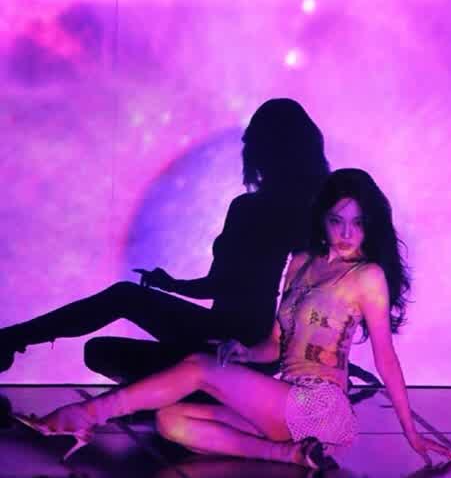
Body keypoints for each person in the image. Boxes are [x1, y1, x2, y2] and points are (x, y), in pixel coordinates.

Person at [14, 169, 451, 469]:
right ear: (322, 220)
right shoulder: (300, 262)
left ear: (370, 225)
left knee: (198, 368)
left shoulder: (367, 276)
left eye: (358, 223)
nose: (346, 233)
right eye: (337, 220)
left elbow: (387, 360)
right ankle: (290, 456)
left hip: (323, 409)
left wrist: (413, 434)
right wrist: (244, 352)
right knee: (170, 421)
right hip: (285, 403)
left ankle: (83, 415)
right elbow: (275, 344)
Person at [0, 99, 329, 382]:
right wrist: (171, 285)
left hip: (238, 345)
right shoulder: (305, 214)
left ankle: (15, 337)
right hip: (243, 343)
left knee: (118, 311)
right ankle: (15, 338)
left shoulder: (254, 209)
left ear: (265, 150)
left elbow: (227, 286)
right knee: (102, 348)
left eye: (252, 144)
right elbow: (225, 286)